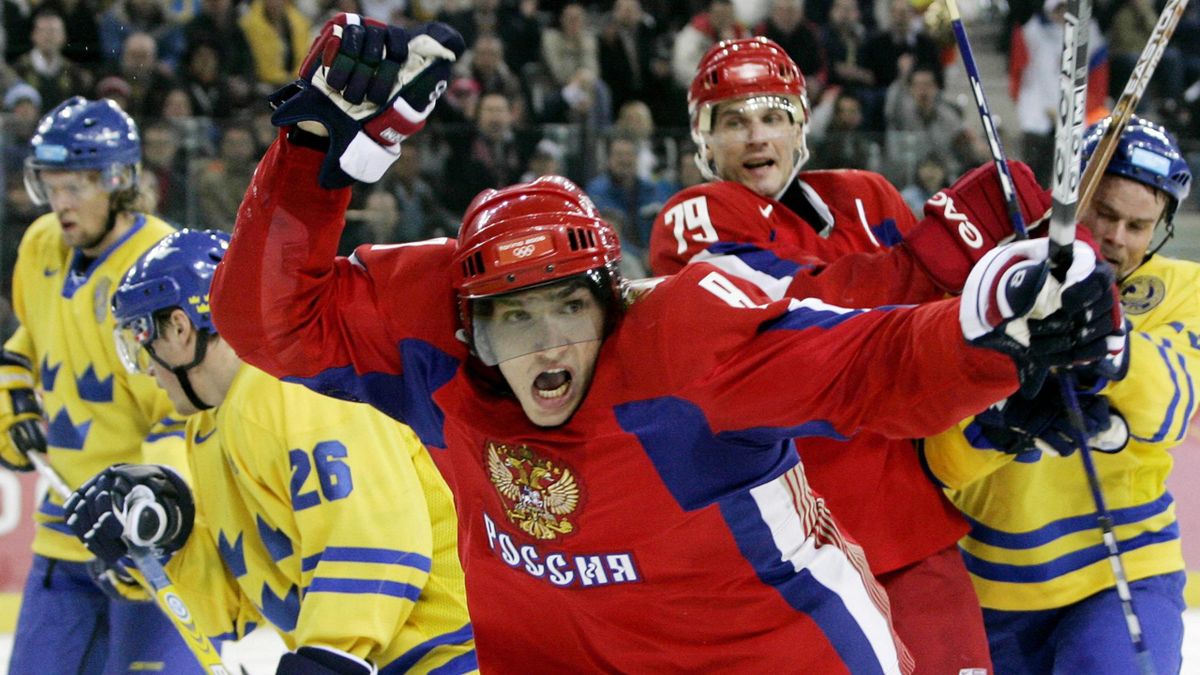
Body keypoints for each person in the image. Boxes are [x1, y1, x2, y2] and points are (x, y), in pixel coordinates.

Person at [208, 14, 1122, 672]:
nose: (544, 345)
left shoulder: (685, 343)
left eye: (567, 308)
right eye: (512, 317)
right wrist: (310, 160)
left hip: (776, 649)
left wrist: (989, 332)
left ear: (613, 301)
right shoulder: (437, 339)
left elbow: (868, 359)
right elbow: (265, 324)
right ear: (467, 324)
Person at [647, 36, 1039, 672]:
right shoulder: (691, 219)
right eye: (734, 121)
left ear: (801, 127)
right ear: (704, 139)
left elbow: (939, 322)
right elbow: (789, 314)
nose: (756, 136)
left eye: (773, 116)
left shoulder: (867, 196)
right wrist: (935, 254)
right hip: (785, 556)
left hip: (905, 523)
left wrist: (1017, 267)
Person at [62, 229, 478, 674]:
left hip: (458, 653)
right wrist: (165, 544)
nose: (145, 367)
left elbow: (378, 540)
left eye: (142, 337)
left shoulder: (297, 387)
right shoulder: (209, 425)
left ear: (180, 327)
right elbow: (239, 606)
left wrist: (327, 656)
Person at [922, 116, 1196, 674]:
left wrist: (1110, 342)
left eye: (1139, 225)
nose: (1118, 237)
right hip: (985, 587)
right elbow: (940, 463)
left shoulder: (1182, 287)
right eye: (1105, 214)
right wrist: (1005, 425)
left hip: (1126, 569)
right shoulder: (987, 285)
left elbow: (1172, 410)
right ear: (1067, 201)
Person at [0, 96, 204, 673]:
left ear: (118, 182)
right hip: (64, 530)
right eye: (50, 186)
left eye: (76, 186)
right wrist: (11, 395)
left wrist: (153, 515)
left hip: (150, 536)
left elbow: (189, 410)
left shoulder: (161, 262)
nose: (59, 203)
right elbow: (29, 340)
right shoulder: (40, 244)